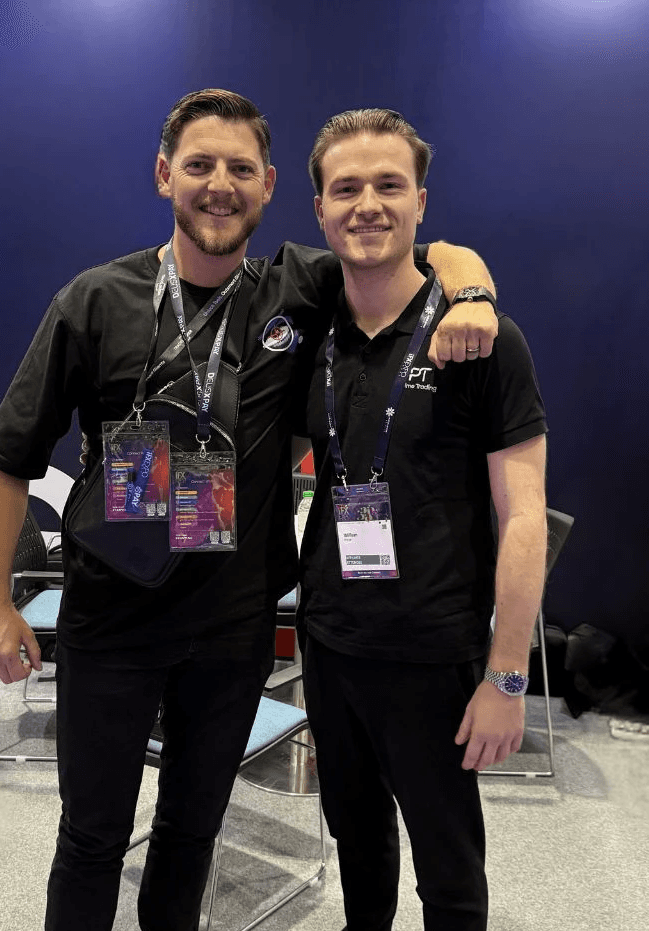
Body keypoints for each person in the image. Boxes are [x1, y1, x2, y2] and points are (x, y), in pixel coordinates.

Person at [0, 89, 500, 931]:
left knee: (191, 832)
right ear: (164, 175)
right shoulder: (95, 300)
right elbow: (7, 459)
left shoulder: (298, 288)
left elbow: (409, 244)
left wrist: (471, 286)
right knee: (92, 837)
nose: (220, 185)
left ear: (269, 185)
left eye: (241, 169)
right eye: (200, 165)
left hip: (232, 629)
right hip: (112, 623)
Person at [296, 107, 548, 931]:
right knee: (358, 846)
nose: (367, 204)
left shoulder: (481, 339)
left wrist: (507, 677)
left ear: (422, 202)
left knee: (449, 872)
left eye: (389, 185)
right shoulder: (309, 331)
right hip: (330, 644)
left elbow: (525, 516)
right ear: (319, 209)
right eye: (346, 188)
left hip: (435, 655)